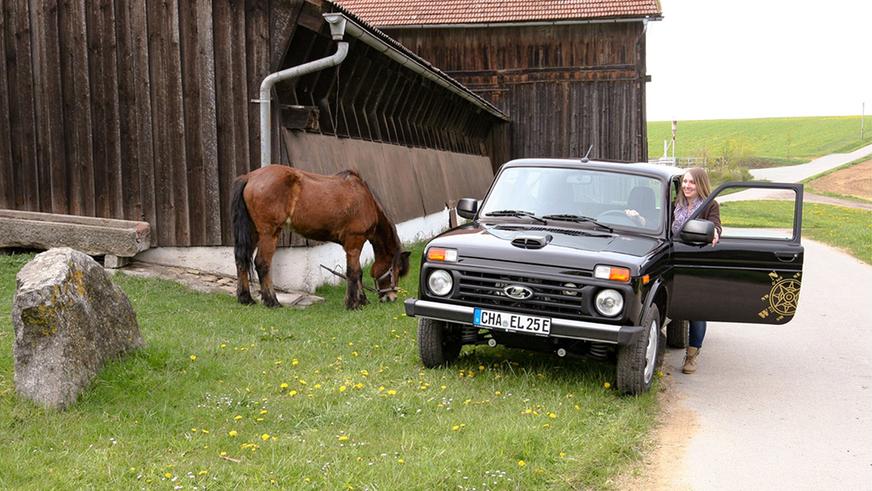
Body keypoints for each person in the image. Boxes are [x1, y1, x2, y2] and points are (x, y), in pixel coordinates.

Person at [671, 167, 722, 374]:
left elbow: (716, 226)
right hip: (674, 258)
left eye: (691, 182)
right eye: (684, 182)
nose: (686, 186)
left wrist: (714, 232)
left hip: (696, 260)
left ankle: (691, 356)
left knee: (696, 310)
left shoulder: (710, 205)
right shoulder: (676, 203)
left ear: (700, 184)